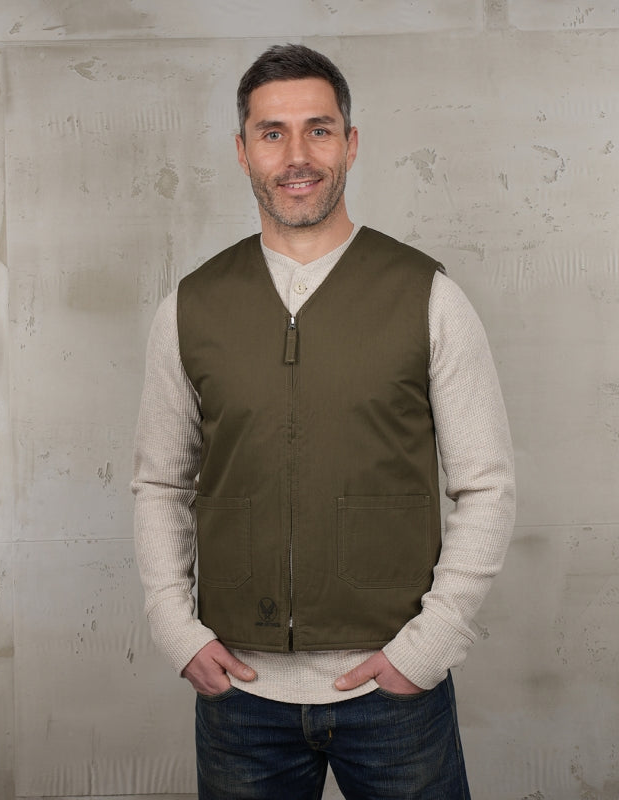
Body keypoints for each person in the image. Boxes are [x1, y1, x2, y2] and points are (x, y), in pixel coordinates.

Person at [132, 43, 515, 800]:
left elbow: (488, 486)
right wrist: (176, 628)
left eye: (319, 129)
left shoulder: (428, 295)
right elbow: (160, 483)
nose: (297, 156)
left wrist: (429, 646)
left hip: (393, 690)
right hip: (240, 697)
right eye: (272, 133)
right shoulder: (191, 307)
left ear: (351, 142)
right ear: (242, 150)